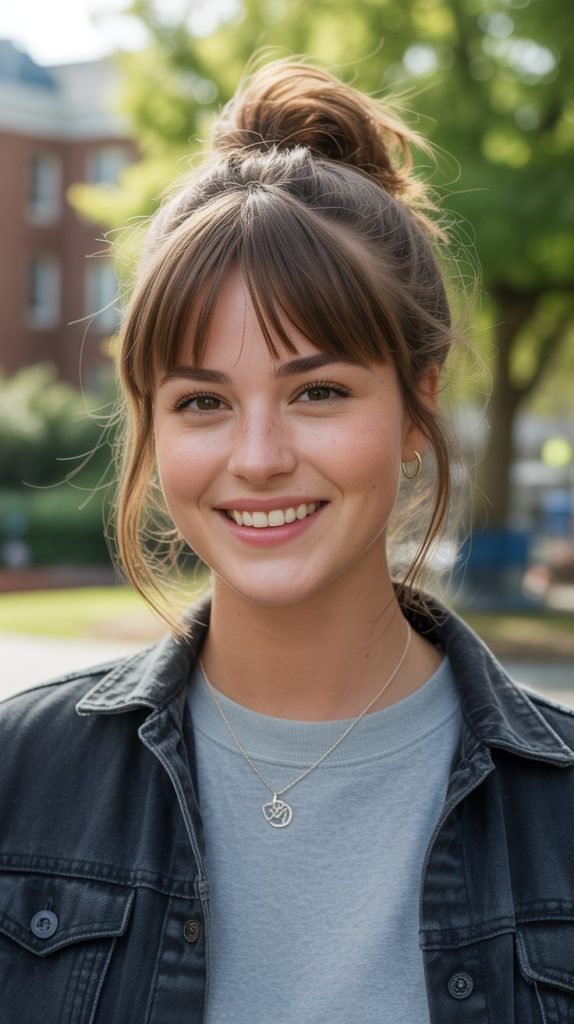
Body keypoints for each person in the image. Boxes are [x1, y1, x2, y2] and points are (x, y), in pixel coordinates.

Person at [1, 57, 573, 1024]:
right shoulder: (19, 781)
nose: (258, 458)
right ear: (152, 423)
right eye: (203, 402)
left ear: (415, 405)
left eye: (318, 391)